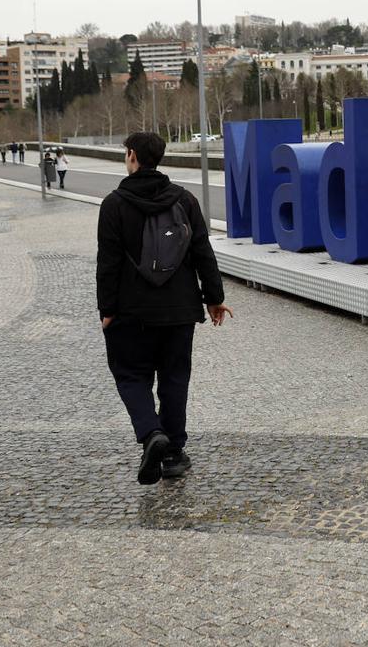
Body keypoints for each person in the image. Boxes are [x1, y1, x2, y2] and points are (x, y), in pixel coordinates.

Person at [97, 131, 232, 485]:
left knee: (130, 376)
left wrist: (106, 309)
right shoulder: (184, 200)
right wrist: (214, 298)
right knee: (174, 379)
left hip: (130, 311)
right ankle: (173, 454)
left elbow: (108, 263)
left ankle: (150, 433)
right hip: (179, 310)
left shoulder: (114, 204)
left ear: (131, 156)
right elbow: (203, 251)